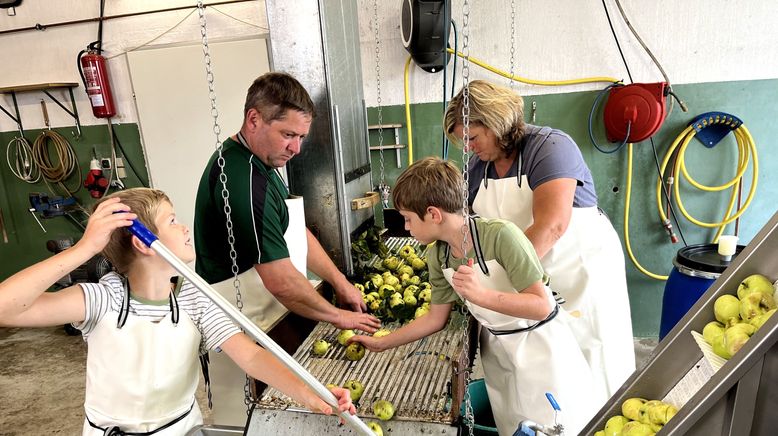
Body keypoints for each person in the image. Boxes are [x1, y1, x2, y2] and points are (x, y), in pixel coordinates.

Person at [0, 188, 355, 435]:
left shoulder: (195, 299)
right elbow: (6, 309)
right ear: (143, 241)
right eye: (172, 221)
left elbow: (251, 356)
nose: (185, 228)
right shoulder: (102, 299)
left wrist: (313, 393)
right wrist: (83, 249)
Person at [349, 157, 604, 435]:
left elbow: (542, 306)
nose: (407, 228)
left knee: (556, 425)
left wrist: (480, 295)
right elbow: (435, 318)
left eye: (408, 219)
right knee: (513, 426)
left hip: (543, 348)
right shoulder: (439, 255)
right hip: (498, 352)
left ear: (434, 214)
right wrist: (384, 343)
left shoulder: (501, 236)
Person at [194, 72, 380, 425]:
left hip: (271, 316)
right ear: (254, 119)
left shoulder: (264, 162)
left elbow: (297, 232)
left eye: (301, 137)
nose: (295, 148)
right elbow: (280, 280)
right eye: (288, 135)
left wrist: (340, 283)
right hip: (241, 321)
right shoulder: (243, 181)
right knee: (249, 420)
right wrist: (340, 316)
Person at [443, 80, 635, 398]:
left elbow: (552, 226)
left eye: (472, 138)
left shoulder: (549, 147)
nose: (468, 148)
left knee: (592, 355)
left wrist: (500, 284)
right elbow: (468, 228)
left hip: (578, 270)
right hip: (530, 275)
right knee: (543, 370)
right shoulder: (478, 168)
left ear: (495, 122)